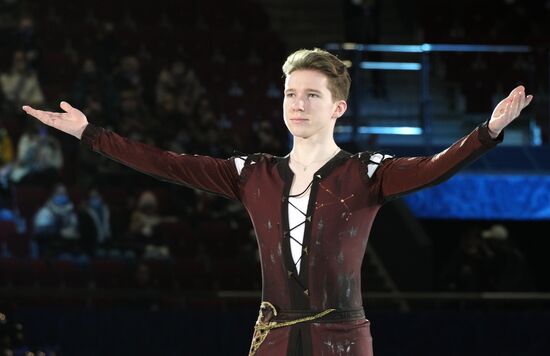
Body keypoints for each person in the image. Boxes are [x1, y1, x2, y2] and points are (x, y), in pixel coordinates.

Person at [21, 48, 532, 356]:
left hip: (343, 341)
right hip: (273, 339)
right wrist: (92, 133)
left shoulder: (367, 172)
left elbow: (432, 168)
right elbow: (169, 163)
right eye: (290, 93)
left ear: (338, 106)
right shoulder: (253, 173)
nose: (298, 104)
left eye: (311, 95)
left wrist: (486, 132)